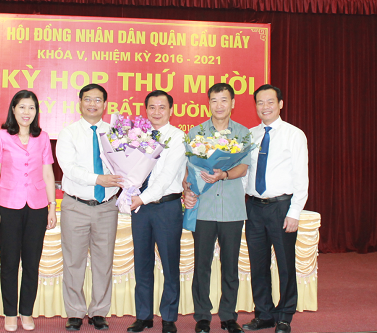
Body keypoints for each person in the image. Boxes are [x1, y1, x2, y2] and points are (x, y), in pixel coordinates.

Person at [0, 90, 57, 332]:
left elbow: (48, 174)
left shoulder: (43, 137)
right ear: (13, 110)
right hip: (8, 206)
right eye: (22, 107)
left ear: (36, 112)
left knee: (31, 263)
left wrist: (52, 206)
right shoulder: (1, 136)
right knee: (9, 262)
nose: (27, 112)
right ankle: (10, 313)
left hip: (37, 207)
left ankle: (26, 312)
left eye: (31, 108)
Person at [183, 83, 250, 333]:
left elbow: (243, 167)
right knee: (202, 265)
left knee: (230, 266)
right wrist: (188, 189)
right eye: (214, 100)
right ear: (208, 103)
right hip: (204, 208)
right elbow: (188, 170)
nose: (219, 105)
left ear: (232, 103)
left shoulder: (242, 133)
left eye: (224, 100)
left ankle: (228, 316)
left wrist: (224, 174)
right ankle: (202, 316)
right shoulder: (196, 133)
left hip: (232, 209)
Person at [56, 84, 123, 331]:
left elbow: (126, 164)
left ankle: (99, 312)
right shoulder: (69, 133)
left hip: (107, 207)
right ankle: (75, 312)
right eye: (88, 99)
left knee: (103, 262)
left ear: (105, 104)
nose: (92, 104)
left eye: (97, 100)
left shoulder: (117, 133)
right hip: (76, 206)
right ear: (80, 102)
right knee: (73, 261)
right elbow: (69, 168)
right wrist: (99, 179)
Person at [242, 84, 308, 333]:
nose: (265, 106)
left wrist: (294, 212)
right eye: (260, 102)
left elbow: (301, 177)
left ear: (280, 104)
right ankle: (264, 314)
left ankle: (285, 316)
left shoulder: (294, 134)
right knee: (258, 265)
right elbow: (244, 175)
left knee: (285, 265)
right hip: (254, 208)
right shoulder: (250, 135)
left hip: (281, 207)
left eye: (270, 102)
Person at [127, 90, 186, 333]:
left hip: (166, 207)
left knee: (170, 263)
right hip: (141, 209)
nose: (157, 112)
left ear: (171, 110)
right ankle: (143, 316)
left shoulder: (178, 137)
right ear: (146, 110)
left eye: (162, 107)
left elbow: (165, 178)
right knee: (142, 263)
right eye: (152, 107)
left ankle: (169, 317)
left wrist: (140, 199)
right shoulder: (136, 136)